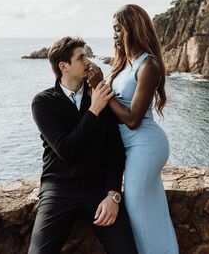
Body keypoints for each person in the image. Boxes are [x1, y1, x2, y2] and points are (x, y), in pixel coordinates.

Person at [28, 36, 137, 254]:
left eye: (86, 55)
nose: (88, 61)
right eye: (81, 57)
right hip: (58, 188)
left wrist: (113, 195)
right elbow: (67, 151)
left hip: (98, 189)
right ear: (63, 67)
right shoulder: (43, 102)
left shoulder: (100, 95)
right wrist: (94, 110)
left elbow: (115, 150)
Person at [88, 4, 179, 254]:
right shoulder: (123, 64)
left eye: (118, 28)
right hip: (128, 145)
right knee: (154, 213)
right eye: (113, 29)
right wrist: (93, 89)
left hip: (145, 144)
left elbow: (132, 119)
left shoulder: (148, 65)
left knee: (137, 213)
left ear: (133, 28)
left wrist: (100, 86)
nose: (114, 34)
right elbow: (108, 106)